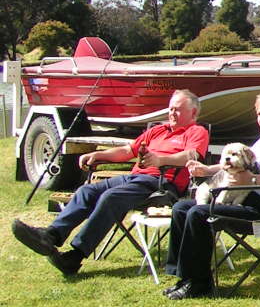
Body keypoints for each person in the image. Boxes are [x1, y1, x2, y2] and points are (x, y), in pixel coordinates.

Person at [11, 89, 209, 277]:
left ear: (193, 113)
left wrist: (160, 160)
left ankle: (74, 257)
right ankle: (51, 235)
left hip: (161, 184)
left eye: (177, 109)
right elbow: (127, 151)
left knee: (110, 198)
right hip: (134, 178)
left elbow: (192, 156)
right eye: (170, 108)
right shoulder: (157, 131)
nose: (172, 113)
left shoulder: (196, 131)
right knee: (86, 191)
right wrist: (98, 154)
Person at [163, 88, 260, 300]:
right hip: (240, 197)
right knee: (181, 208)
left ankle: (200, 284)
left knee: (199, 214)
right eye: (259, 113)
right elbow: (236, 166)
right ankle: (184, 277)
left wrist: (253, 180)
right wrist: (207, 170)